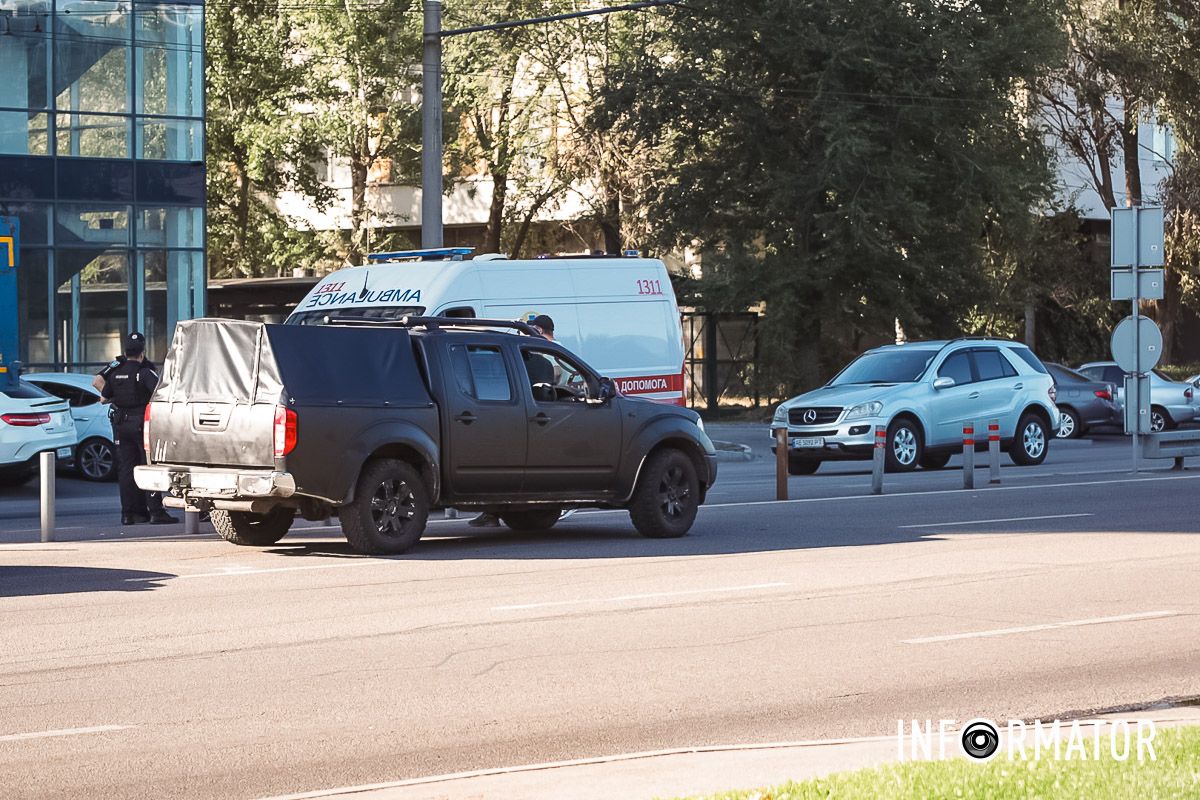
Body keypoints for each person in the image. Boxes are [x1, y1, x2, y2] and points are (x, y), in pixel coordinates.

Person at [469, 316, 557, 529]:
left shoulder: (544, 355)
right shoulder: (547, 356)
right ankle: (496, 512)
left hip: (536, 417)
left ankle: (492, 513)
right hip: (540, 416)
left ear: (537, 329)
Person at [99, 332, 177, 526]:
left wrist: (119, 396)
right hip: (141, 425)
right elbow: (161, 394)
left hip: (120, 425)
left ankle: (129, 514)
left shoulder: (116, 372)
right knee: (148, 467)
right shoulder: (145, 372)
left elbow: (103, 397)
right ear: (142, 353)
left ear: (125, 352)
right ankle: (156, 512)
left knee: (126, 470)